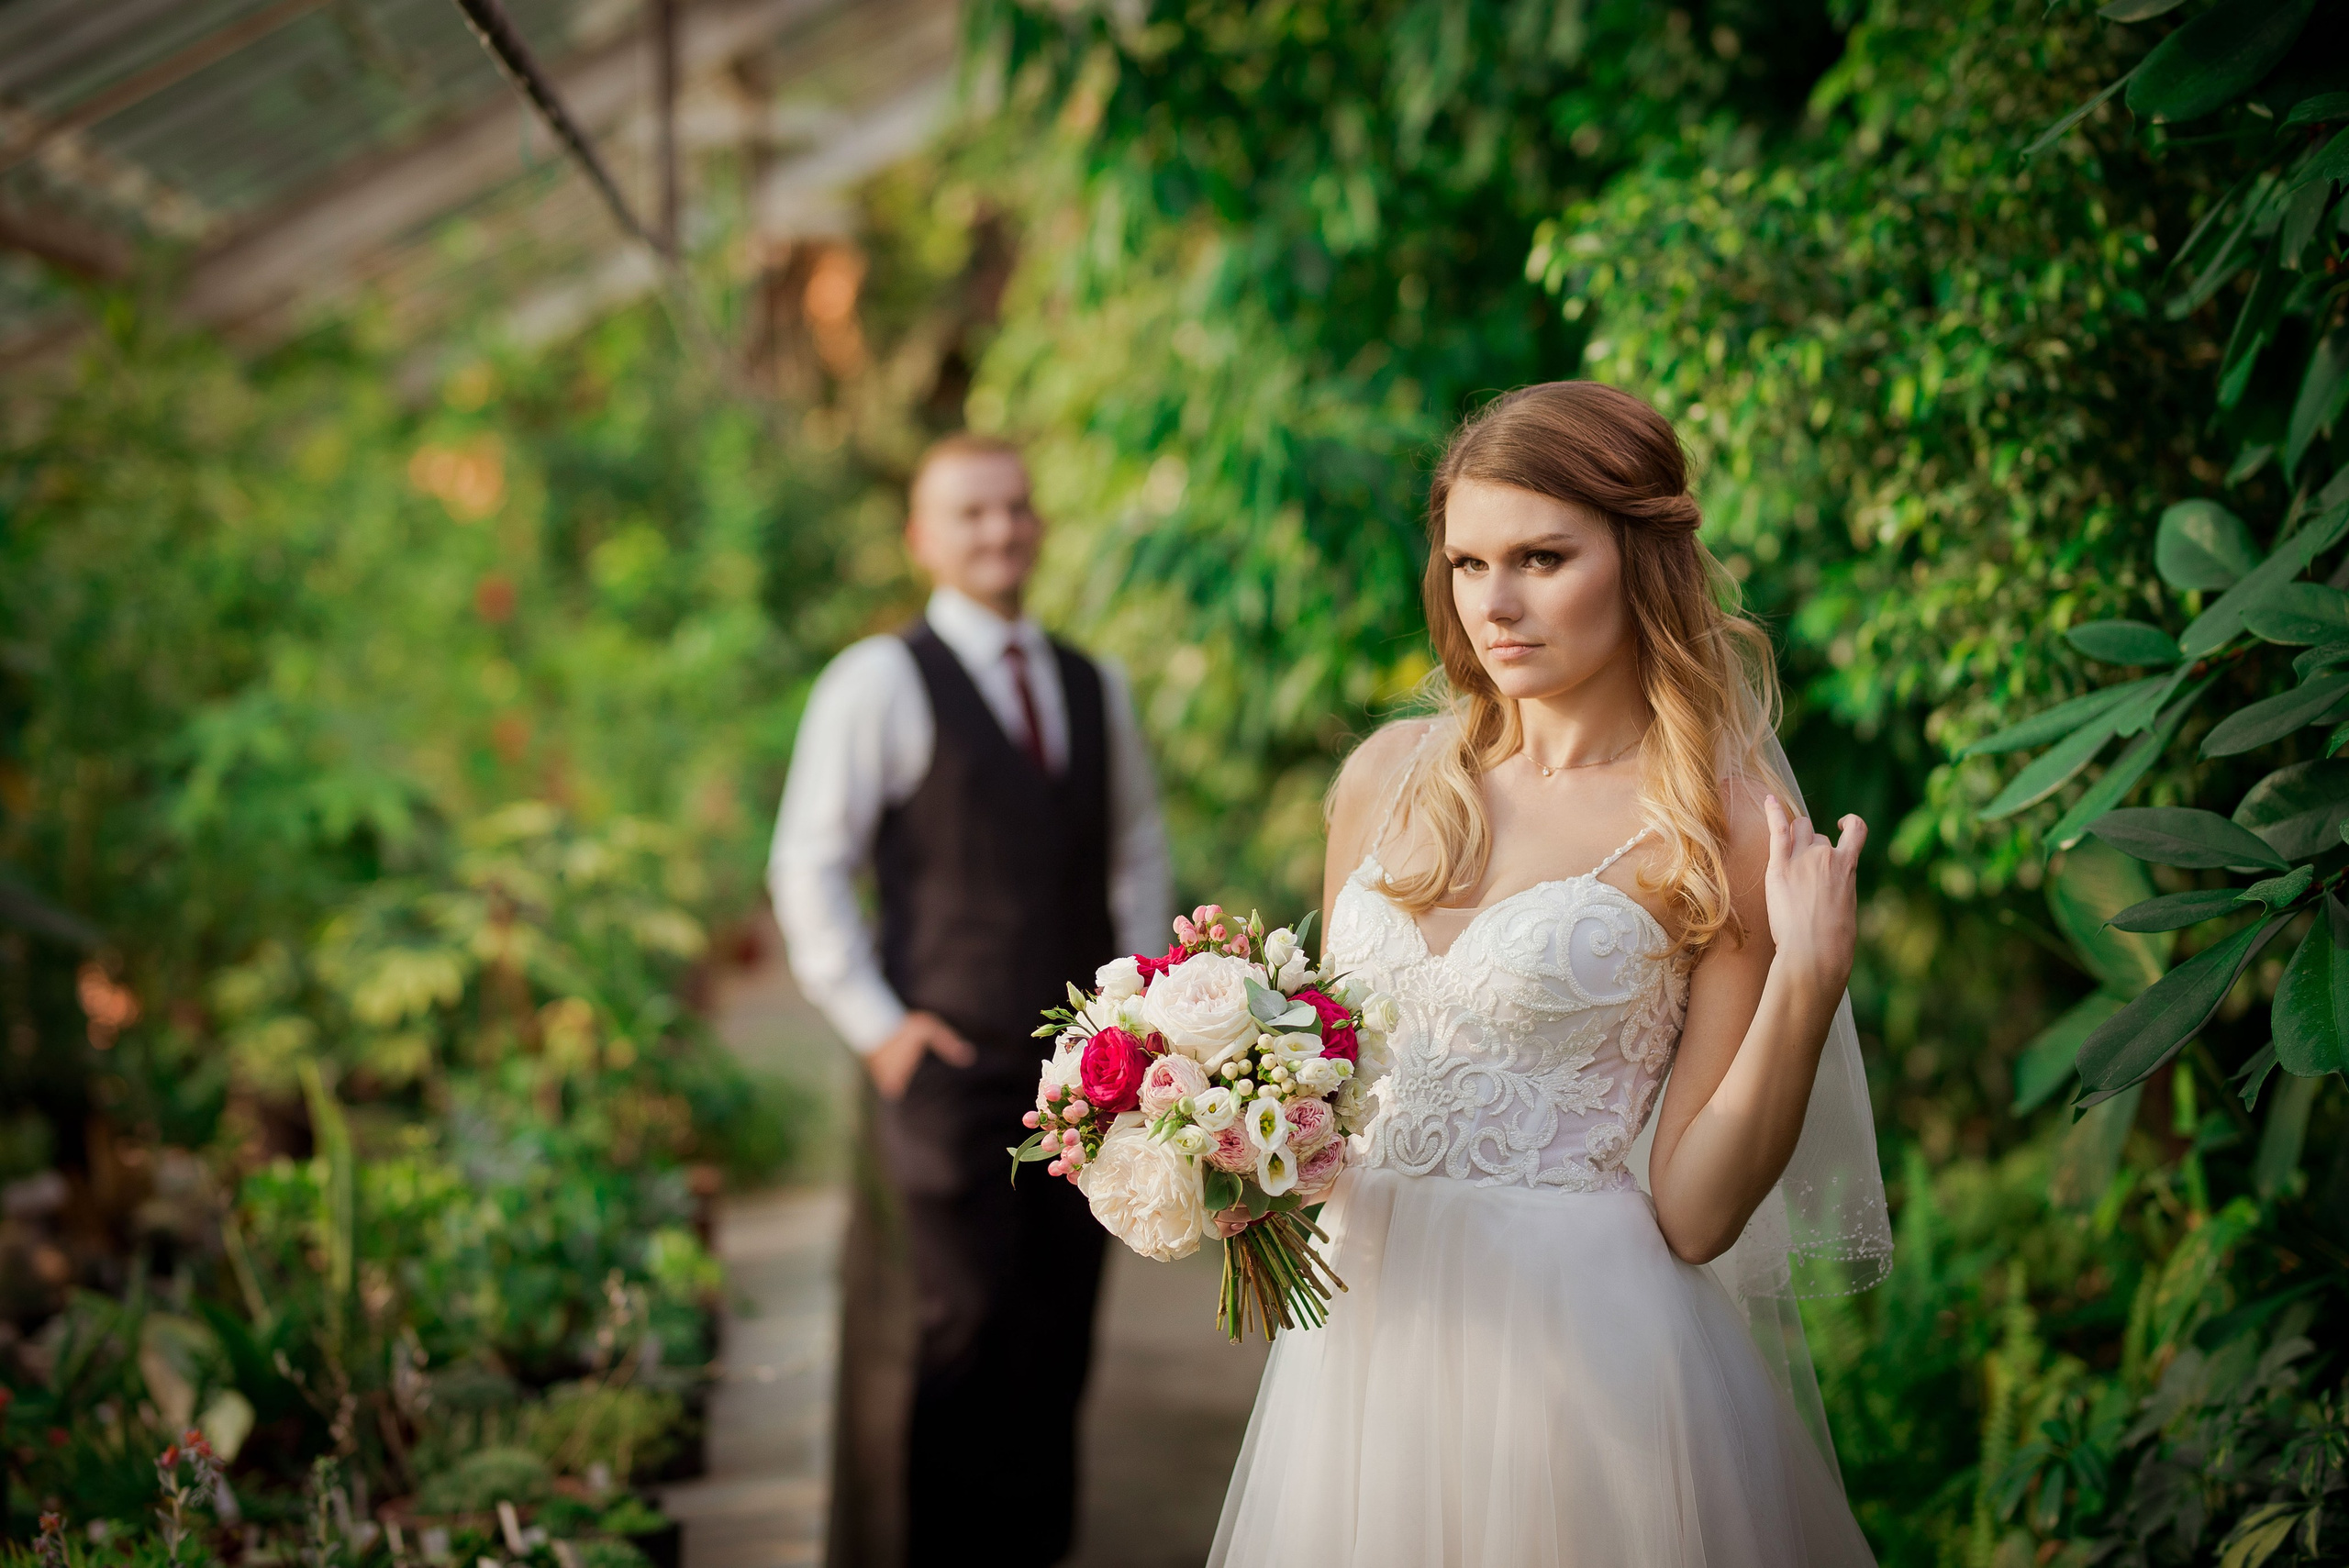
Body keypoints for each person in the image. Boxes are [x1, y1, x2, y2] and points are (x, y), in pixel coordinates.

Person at [1210, 381, 1892, 1566]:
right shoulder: (1385, 778)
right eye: (1468, 564)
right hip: (1366, 1336)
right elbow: (1329, 1094)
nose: (1498, 604)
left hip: (1584, 1350)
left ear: (1639, 561)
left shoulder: (1715, 826)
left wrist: (1807, 981)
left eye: (1541, 557)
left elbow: (1696, 1211)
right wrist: (1207, 1133)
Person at [769, 433, 1172, 1565]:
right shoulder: (878, 681)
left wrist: (1137, 1008)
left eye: (1014, 508)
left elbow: (1135, 851)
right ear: (923, 537)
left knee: (1059, 1334)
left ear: (1036, 523)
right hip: (950, 1073)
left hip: (1091, 1085)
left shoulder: (1096, 684)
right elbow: (806, 864)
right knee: (966, 1339)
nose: (1000, 530)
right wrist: (882, 1029)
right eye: (971, 513)